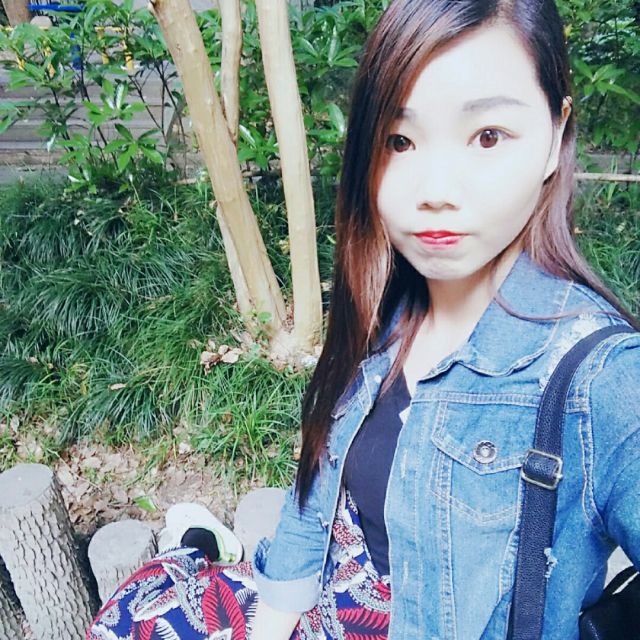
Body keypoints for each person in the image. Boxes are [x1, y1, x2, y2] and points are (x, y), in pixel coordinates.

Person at [86, 0, 640, 638]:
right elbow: (314, 497)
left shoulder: (602, 382)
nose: (435, 190)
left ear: (554, 137)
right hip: (332, 593)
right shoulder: (390, 305)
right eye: (399, 141)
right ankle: (207, 550)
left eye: (488, 136)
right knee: (135, 612)